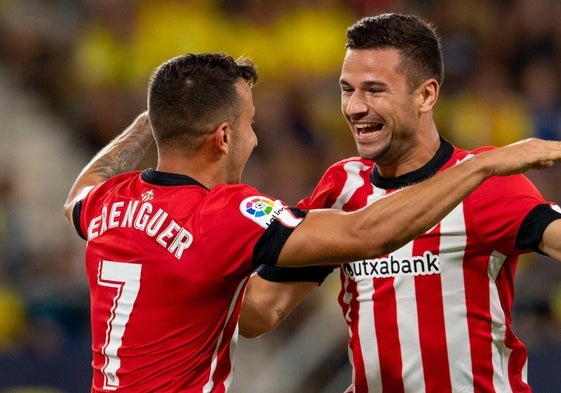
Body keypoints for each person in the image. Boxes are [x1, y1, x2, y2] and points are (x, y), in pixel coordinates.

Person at [63, 52, 561, 393]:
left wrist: (150, 119)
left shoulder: (108, 203)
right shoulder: (230, 214)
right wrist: (483, 164)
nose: (254, 139)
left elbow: (78, 193)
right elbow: (368, 234)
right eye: (249, 124)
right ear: (222, 137)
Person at [240, 13, 561, 393]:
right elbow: (258, 313)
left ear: (425, 95)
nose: (355, 107)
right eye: (347, 89)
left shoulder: (485, 180)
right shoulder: (342, 186)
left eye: (375, 90)